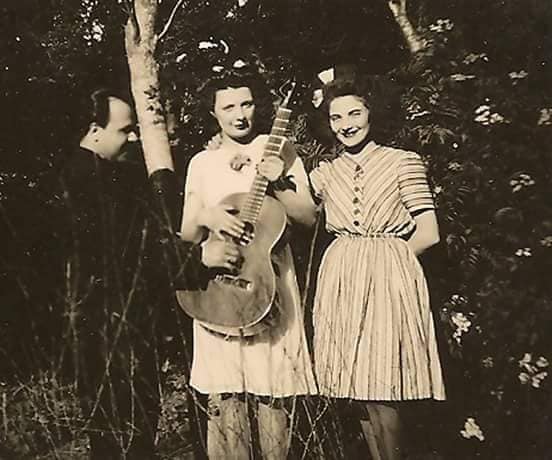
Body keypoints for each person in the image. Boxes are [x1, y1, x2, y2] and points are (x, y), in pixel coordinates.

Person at [62, 88, 238, 459]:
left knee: (117, 432)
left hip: (106, 326)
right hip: (114, 329)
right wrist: (200, 258)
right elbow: (134, 254)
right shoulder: (92, 183)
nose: (133, 138)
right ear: (94, 130)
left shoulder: (88, 174)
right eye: (124, 130)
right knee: (128, 432)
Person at [180, 69, 318, 459]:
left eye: (247, 104)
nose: (240, 115)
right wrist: (207, 215)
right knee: (226, 397)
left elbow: (309, 218)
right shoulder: (202, 162)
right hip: (221, 284)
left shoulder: (279, 148)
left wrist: (281, 180)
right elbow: (187, 233)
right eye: (228, 107)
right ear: (213, 112)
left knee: (272, 395)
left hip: (270, 282)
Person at [308, 74, 446, 460]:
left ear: (372, 113)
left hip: (388, 279)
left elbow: (429, 232)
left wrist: (388, 263)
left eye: (355, 113)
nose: (346, 124)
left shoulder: (403, 162)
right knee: (356, 390)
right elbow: (295, 208)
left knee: (384, 386)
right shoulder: (324, 172)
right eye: (336, 117)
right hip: (341, 280)